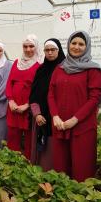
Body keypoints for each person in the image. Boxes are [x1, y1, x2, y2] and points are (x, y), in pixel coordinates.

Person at [48, 31, 101, 182]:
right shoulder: (60, 68)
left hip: (82, 127)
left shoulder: (93, 70)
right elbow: (51, 94)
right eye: (73, 43)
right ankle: (61, 201)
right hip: (60, 125)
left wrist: (75, 119)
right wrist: (55, 116)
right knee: (60, 167)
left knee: (82, 169)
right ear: (68, 45)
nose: (76, 47)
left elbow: (94, 99)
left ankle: (81, 201)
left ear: (87, 47)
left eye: (81, 44)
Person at [29, 38, 65, 171]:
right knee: (40, 152)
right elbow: (33, 95)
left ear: (58, 50)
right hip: (40, 117)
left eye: (53, 50)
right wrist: (37, 114)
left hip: (58, 119)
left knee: (55, 154)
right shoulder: (41, 70)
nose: (49, 53)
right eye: (47, 50)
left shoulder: (65, 69)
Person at [5, 34, 41, 160]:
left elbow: (38, 89)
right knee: (13, 136)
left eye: (31, 46)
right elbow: (9, 82)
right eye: (25, 46)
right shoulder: (16, 63)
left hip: (28, 108)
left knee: (29, 139)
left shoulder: (39, 65)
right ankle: (11, 163)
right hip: (13, 107)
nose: (28, 49)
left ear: (36, 47)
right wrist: (11, 101)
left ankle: (27, 165)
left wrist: (27, 104)